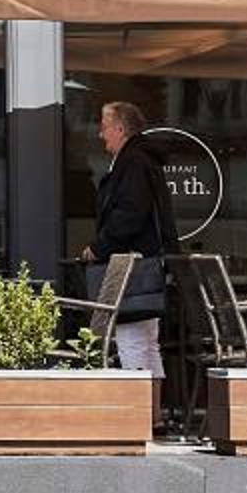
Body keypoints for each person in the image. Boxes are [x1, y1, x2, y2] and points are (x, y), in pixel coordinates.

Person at [88, 101, 174, 377]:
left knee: (132, 341)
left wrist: (98, 247)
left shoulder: (133, 162)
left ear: (120, 129)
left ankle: (140, 405)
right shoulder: (143, 159)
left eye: (104, 127)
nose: (101, 134)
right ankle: (154, 405)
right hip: (147, 265)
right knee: (148, 343)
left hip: (133, 269)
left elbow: (129, 214)